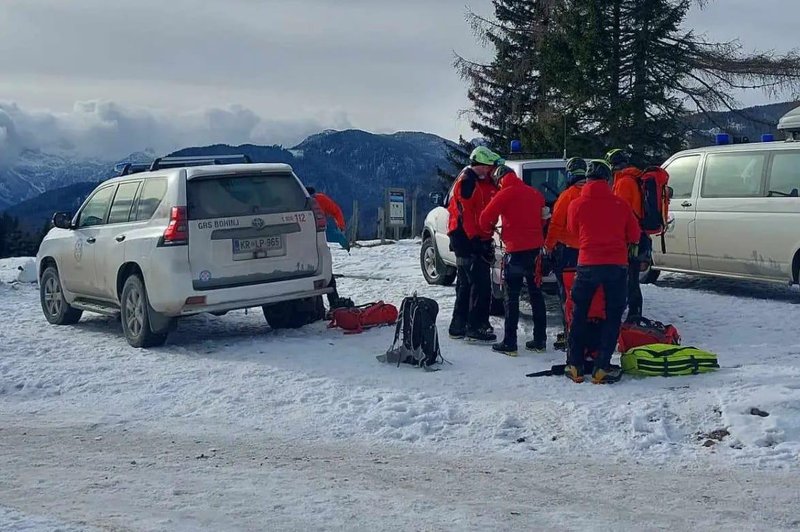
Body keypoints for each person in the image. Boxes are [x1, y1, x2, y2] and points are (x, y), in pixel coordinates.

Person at [566, 160, 640, 384]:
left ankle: (575, 365)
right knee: (613, 314)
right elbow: (635, 235)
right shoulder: (620, 204)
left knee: (578, 314)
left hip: (587, 264)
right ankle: (602, 367)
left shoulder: (576, 204)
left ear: (587, 180)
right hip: (616, 266)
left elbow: (572, 229)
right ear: (608, 180)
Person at [479, 164, 547, 355]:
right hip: (535, 251)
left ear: (500, 179)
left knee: (512, 297)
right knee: (536, 295)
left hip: (515, 251)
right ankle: (540, 340)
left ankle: (510, 342)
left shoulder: (504, 194)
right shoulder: (535, 193)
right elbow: (543, 218)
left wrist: (493, 229)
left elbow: (485, 219)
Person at [447, 146, 503, 343]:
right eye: (488, 167)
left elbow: (498, 198)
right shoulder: (468, 183)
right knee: (478, 283)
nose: (490, 171)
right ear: (479, 165)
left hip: (474, 237)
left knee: (467, 282)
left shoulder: (486, 183)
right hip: (465, 237)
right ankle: (475, 325)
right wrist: (475, 240)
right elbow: (466, 215)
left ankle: (459, 325)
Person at [544, 157, 587, 351]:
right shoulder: (595, 193)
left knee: (568, 296)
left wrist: (548, 246)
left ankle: (570, 333)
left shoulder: (568, 196)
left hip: (569, 252)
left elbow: (555, 224)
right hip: (592, 253)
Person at [606, 149, 649, 321]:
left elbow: (620, 211)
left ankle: (634, 315)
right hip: (638, 235)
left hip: (631, 238)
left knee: (629, 279)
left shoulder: (624, 183)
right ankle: (633, 313)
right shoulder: (632, 179)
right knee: (631, 278)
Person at [307, 186, 349, 309]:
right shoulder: (320, 199)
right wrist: (340, 229)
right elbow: (336, 211)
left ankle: (317, 306)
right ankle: (333, 303)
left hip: (303, 243)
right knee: (325, 272)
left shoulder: (298, 199)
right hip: (319, 241)